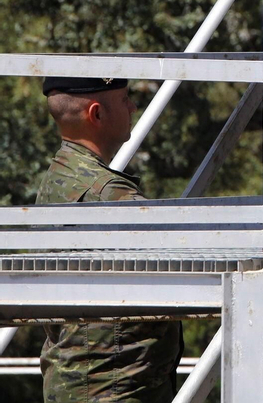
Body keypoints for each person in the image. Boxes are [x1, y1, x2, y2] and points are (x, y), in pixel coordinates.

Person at [36, 76, 182, 403]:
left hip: (85, 380)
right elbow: (183, 262)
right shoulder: (107, 193)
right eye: (125, 99)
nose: (133, 107)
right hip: (113, 387)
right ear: (97, 114)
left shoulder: (59, 176)